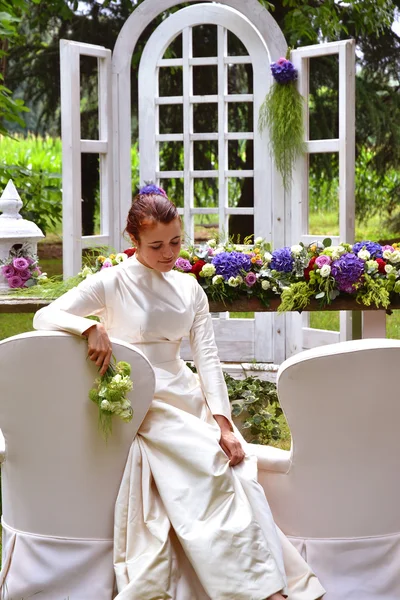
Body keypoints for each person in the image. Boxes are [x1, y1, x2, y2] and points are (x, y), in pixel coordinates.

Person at [33, 185, 325, 600]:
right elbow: (45, 315)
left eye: (175, 241)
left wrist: (224, 424)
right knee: (209, 464)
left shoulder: (189, 288)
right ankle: (260, 591)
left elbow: (207, 359)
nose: (169, 253)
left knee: (237, 465)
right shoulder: (110, 283)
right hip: (141, 397)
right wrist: (90, 327)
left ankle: (267, 579)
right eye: (156, 245)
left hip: (185, 392)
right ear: (132, 241)